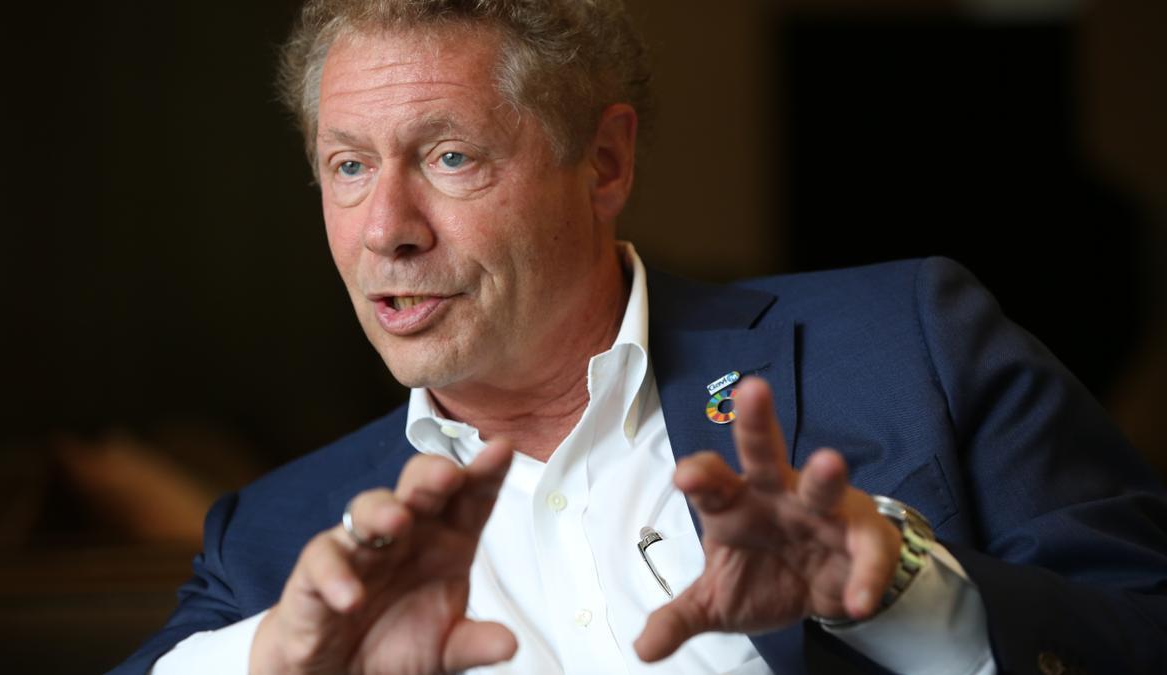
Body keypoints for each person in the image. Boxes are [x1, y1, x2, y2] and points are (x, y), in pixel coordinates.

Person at [113, 1, 1167, 673]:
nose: (385, 230)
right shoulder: (271, 543)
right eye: (347, 166)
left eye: (448, 157)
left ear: (606, 164)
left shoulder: (908, 344)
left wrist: (904, 592)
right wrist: (274, 666)